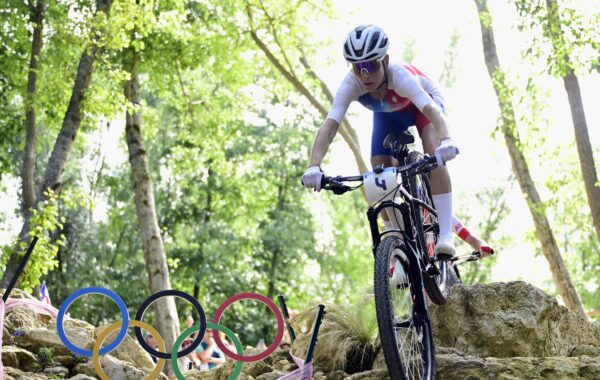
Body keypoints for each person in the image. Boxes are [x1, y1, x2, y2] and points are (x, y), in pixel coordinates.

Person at [302, 24, 460, 259]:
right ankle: (399, 246)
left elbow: (431, 110)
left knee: (433, 154)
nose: (364, 74)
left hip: (422, 108)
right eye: (358, 67)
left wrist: (446, 140)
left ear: (385, 61)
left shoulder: (400, 76)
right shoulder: (351, 84)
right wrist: (314, 165)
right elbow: (330, 126)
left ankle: (446, 235)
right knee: (378, 179)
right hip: (387, 116)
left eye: (371, 66)